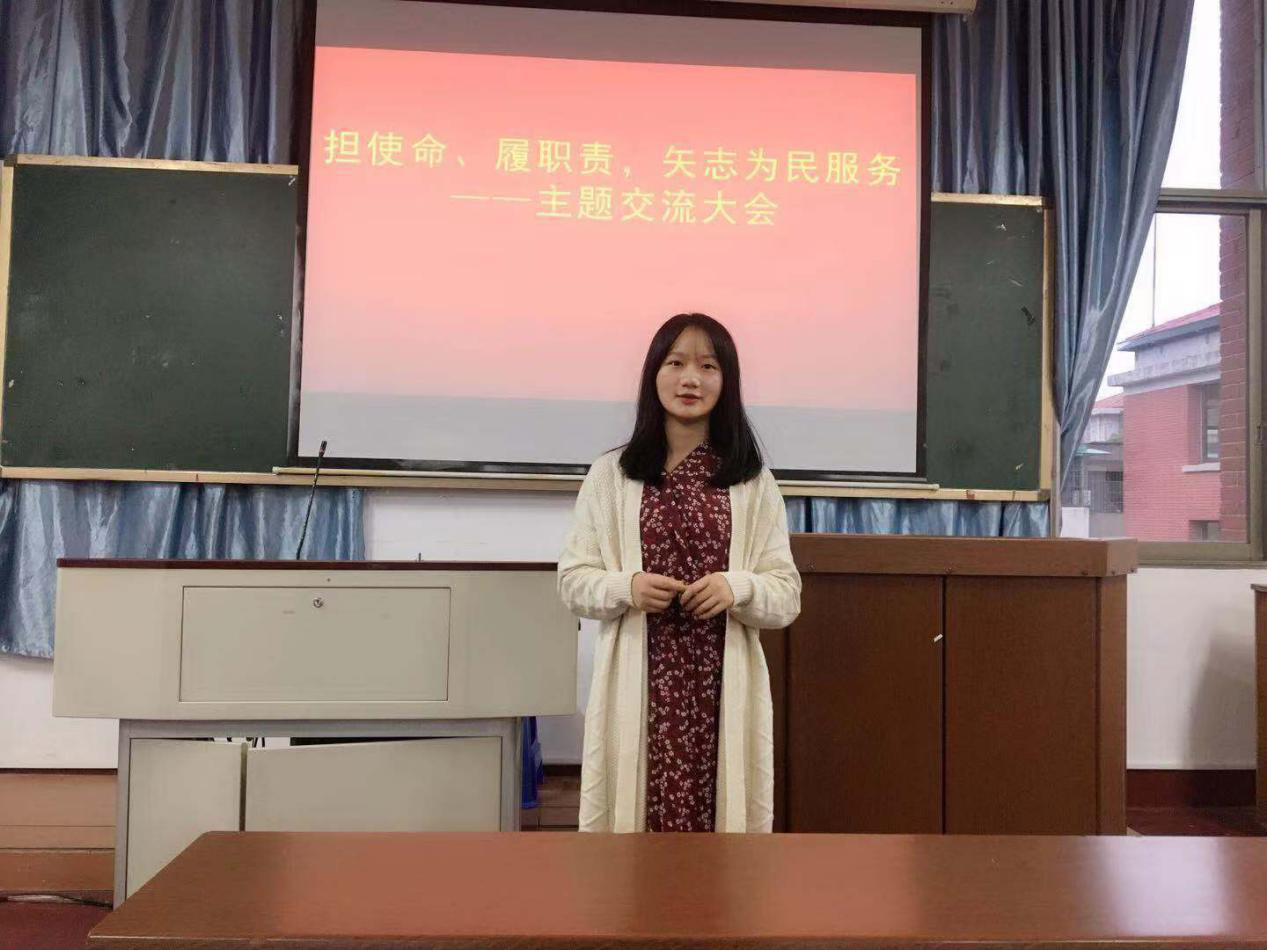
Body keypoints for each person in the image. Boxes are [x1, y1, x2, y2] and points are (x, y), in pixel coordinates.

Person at [558, 312, 801, 833]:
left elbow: (786, 594)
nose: (691, 379)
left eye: (708, 366)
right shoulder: (611, 475)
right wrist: (626, 586)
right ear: (654, 374)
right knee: (632, 840)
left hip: (720, 684)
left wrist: (738, 587)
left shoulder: (751, 481)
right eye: (676, 363)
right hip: (640, 684)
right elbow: (573, 581)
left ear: (727, 382)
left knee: (724, 840)